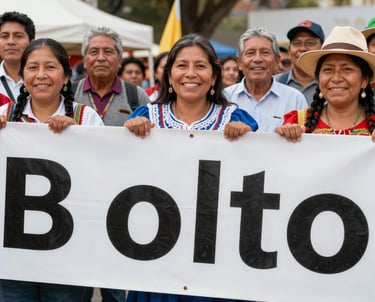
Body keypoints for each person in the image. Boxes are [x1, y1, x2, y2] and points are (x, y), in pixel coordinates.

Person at [0, 38, 103, 301]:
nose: (41, 75)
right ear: (22, 75)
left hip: (68, 253)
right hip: (13, 255)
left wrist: (80, 138)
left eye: (50, 67)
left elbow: (103, 178)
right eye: (33, 68)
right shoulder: (4, 116)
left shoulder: (86, 118)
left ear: (67, 77)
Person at [275, 26, 375, 142]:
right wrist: (284, 137)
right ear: (318, 78)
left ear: (364, 80)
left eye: (347, 69)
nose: (336, 78)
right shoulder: (297, 122)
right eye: (328, 70)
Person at [224, 27, 308, 132]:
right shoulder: (224, 98)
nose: (258, 59)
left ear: (277, 60)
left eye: (265, 52)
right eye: (250, 53)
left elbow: (307, 141)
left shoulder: (295, 99)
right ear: (239, 62)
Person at [74, 27, 150, 128]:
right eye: (94, 52)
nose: (101, 58)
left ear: (119, 60)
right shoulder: (69, 93)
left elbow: (153, 134)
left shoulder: (137, 95)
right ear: (84, 61)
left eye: (108, 52)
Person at [275, 20, 325, 105]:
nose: (302, 48)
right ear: (289, 51)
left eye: (310, 43)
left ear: (323, 50)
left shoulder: (331, 84)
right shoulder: (275, 83)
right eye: (297, 43)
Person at [0, 11, 35, 102]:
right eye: (4, 36)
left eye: (18, 36)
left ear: (31, 42)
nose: (10, 42)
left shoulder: (43, 79)